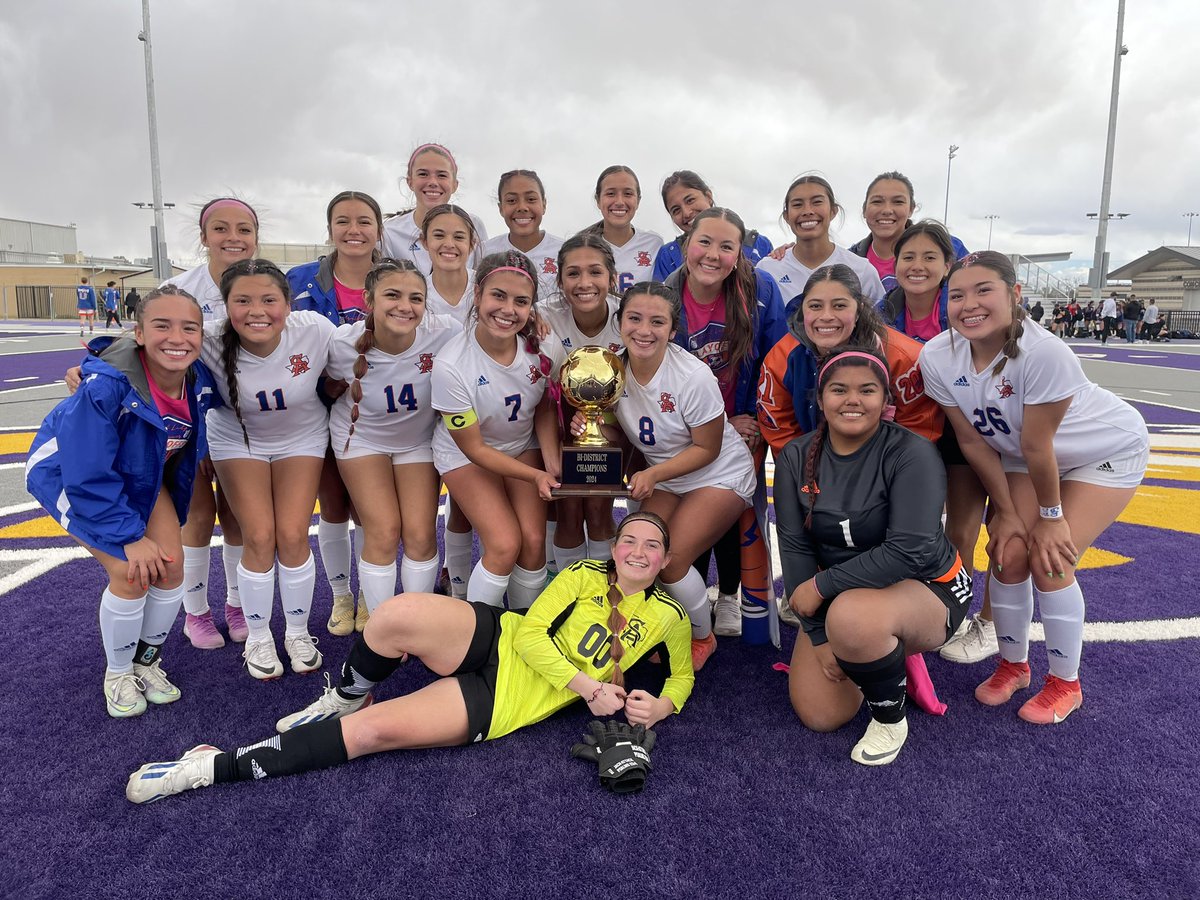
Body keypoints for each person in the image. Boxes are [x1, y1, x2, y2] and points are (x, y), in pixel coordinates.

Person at [125, 512, 693, 804]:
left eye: (652, 546)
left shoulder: (670, 614)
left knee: (372, 734)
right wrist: (589, 688)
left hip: (513, 699)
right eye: (630, 540)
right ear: (614, 547)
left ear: (665, 558)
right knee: (394, 615)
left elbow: (684, 673)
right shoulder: (581, 572)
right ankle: (343, 698)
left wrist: (663, 706)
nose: (639, 552)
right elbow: (529, 636)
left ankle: (204, 767)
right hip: (501, 638)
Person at [919, 251, 1149, 724]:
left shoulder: (1043, 352)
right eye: (958, 295)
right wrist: (1003, 511)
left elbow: (1038, 444)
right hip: (1024, 458)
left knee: (1050, 559)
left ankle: (1066, 683)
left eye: (985, 290)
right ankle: (1014, 665)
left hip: (1103, 454)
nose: (969, 304)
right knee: (1006, 550)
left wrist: (1050, 517)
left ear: (1014, 295)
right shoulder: (938, 356)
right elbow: (971, 440)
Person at [27, 285, 220, 717]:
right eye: (162, 326)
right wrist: (129, 536)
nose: (177, 337)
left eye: (189, 327)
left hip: (138, 475)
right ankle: (117, 672)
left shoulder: (198, 378)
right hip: (72, 476)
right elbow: (88, 471)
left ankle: (145, 663)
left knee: (172, 568)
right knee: (133, 572)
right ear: (138, 333)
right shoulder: (105, 388)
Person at [774, 347, 971, 765]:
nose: (852, 400)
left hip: (927, 585)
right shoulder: (796, 455)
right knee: (821, 714)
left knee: (852, 617)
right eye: (839, 389)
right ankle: (873, 653)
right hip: (846, 593)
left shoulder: (911, 452)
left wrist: (821, 588)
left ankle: (889, 716)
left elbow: (909, 550)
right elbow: (794, 545)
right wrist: (817, 635)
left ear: (885, 401)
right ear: (820, 398)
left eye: (867, 390)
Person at [572, 282, 757, 669]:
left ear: (673, 331)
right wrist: (588, 424)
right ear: (620, 322)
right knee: (637, 555)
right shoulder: (609, 368)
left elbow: (707, 448)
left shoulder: (692, 376)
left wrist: (653, 474)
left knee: (669, 562)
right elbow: (620, 432)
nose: (644, 329)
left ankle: (702, 637)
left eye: (657, 322)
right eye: (634, 318)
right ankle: (655, 628)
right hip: (667, 475)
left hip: (717, 472)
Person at [203, 259, 337, 681]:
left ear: (287, 303)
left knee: (294, 534)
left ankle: (297, 631)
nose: (256, 310)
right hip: (236, 439)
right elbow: (144, 345)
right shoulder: (207, 339)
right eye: (242, 300)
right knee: (258, 535)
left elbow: (367, 342)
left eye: (268, 299)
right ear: (225, 305)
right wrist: (90, 367)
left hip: (302, 437)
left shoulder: (313, 328)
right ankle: (259, 636)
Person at [662, 208, 787, 638]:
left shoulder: (761, 289)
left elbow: (776, 358)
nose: (713, 254)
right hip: (685, 427)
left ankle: (731, 596)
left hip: (743, 423)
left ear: (739, 253)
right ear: (685, 245)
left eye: (726, 246)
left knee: (734, 513)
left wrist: (748, 416)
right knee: (689, 507)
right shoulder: (666, 295)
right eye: (705, 242)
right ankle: (687, 599)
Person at [431, 250, 562, 610]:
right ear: (477, 295)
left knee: (534, 541)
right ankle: (472, 636)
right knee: (504, 543)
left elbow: (545, 405)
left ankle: (520, 628)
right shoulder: (451, 365)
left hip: (521, 445)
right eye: (498, 296)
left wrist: (550, 461)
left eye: (521, 302)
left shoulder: (543, 345)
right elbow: (475, 449)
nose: (508, 309)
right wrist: (536, 476)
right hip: (467, 454)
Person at [327, 258, 458, 618]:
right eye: (392, 295)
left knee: (420, 534)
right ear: (369, 299)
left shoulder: (444, 331)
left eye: (416, 298)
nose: (405, 306)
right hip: (362, 439)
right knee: (383, 532)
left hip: (417, 441)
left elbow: (492, 335)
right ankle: (382, 628)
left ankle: (415, 622)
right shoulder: (341, 343)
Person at [288, 190, 386, 635]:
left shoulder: (394, 277)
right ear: (329, 229)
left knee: (368, 510)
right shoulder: (298, 280)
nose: (354, 230)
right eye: (343, 221)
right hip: (315, 408)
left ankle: (369, 594)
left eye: (364, 221)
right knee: (332, 508)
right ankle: (341, 596)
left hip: (374, 416)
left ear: (378, 231)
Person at [172, 197, 259, 649]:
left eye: (243, 229)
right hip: (187, 421)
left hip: (241, 423)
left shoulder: (262, 283)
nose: (233, 238)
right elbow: (146, 346)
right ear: (204, 237)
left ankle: (236, 603)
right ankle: (196, 612)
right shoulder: (180, 289)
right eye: (221, 229)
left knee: (237, 515)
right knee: (197, 516)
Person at [540, 233, 624, 572]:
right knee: (569, 509)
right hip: (557, 419)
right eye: (573, 273)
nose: (584, 282)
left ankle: (603, 587)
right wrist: (551, 459)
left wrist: (608, 426)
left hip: (617, 423)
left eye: (595, 272)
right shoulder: (543, 318)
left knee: (600, 508)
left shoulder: (627, 319)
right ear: (560, 281)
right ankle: (567, 585)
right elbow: (541, 395)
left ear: (612, 278)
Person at [757, 175, 885, 313]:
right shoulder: (767, 269)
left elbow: (881, 328)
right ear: (787, 216)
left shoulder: (862, 270)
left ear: (833, 211)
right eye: (797, 204)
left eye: (817, 202)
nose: (807, 211)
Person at [850, 172, 968, 293]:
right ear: (864, 210)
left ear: (911, 209)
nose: (887, 210)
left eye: (898, 202)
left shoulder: (950, 247)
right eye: (877, 202)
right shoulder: (848, 260)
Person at [381, 142, 488, 274]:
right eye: (423, 174)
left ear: (454, 185)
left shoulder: (474, 224)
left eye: (442, 175)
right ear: (410, 182)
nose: (432, 182)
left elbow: (482, 278)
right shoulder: (390, 232)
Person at [651, 170, 774, 281]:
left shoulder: (758, 244)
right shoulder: (668, 256)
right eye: (676, 210)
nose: (686, 213)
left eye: (690, 200)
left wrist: (788, 253)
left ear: (708, 196)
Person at [481, 170, 563, 303]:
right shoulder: (484, 252)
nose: (522, 207)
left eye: (531, 199)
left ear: (544, 204)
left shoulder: (564, 251)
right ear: (501, 208)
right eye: (512, 200)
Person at [585, 165, 663, 293]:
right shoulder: (582, 247)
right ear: (598, 200)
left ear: (638, 200)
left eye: (628, 194)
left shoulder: (654, 244)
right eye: (611, 194)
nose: (619, 201)